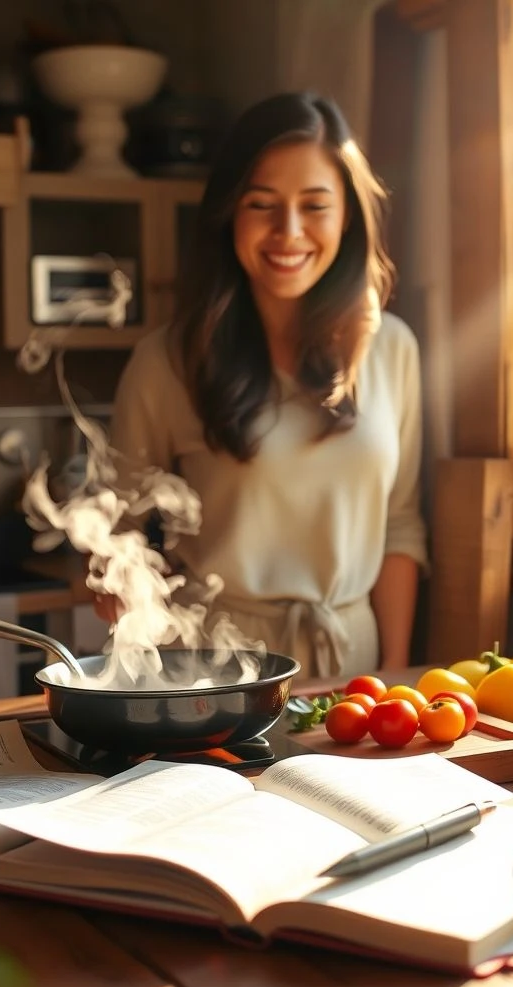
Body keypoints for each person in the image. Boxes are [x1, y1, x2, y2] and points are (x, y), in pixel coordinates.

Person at [106, 91, 428, 680]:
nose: (289, 231)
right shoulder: (165, 363)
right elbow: (117, 538)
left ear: (347, 216)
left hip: (353, 670)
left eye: (315, 205)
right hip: (210, 670)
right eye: (262, 204)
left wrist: (396, 670)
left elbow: (401, 524)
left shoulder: (395, 350)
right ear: (230, 211)